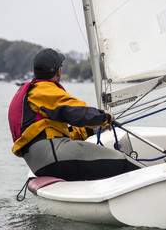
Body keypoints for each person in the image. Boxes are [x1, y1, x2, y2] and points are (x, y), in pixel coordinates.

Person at [8, 48, 144, 181]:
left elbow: (59, 134)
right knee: (124, 161)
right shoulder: (42, 90)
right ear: (59, 70)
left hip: (40, 163)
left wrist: (93, 129)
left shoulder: (28, 93)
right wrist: (104, 116)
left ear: (35, 70)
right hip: (54, 157)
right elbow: (77, 112)